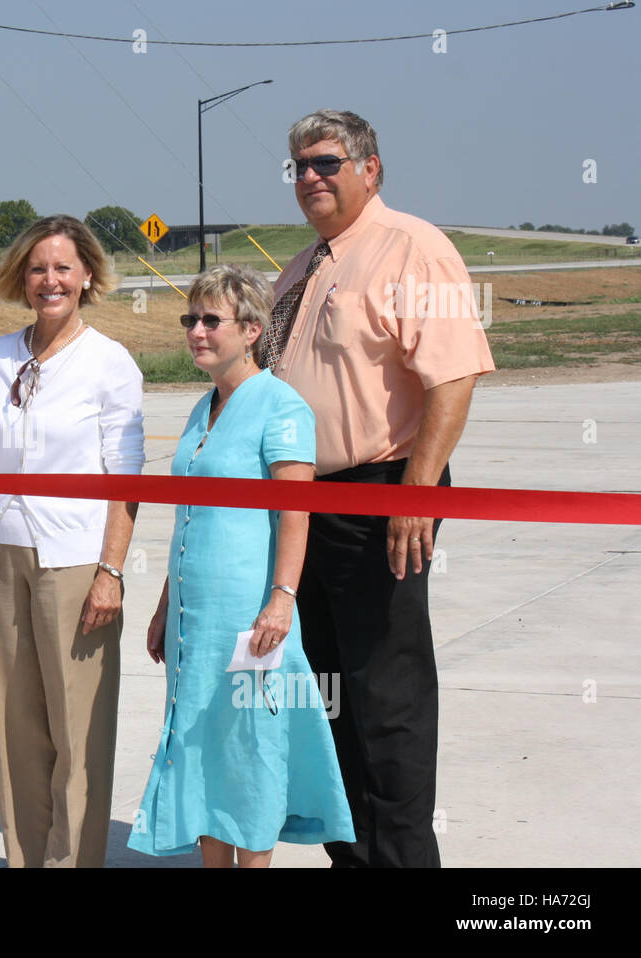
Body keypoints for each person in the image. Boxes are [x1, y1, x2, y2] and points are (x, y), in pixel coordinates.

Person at [266, 110, 495, 867]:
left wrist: (416, 493)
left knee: (386, 697)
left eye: (326, 163)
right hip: (305, 506)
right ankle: (353, 856)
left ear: (372, 169)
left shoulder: (411, 248)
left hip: (382, 493)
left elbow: (452, 377)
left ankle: (402, 859)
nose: (309, 178)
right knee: (328, 696)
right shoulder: (303, 267)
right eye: (298, 166)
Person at [127, 264, 354, 867]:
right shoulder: (203, 409)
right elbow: (191, 518)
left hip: (251, 618)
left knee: (248, 752)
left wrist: (282, 598)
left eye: (210, 320)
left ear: (251, 330)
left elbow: (296, 514)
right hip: (193, 621)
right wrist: (162, 606)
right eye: (189, 320)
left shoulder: (281, 406)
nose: (196, 331)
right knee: (201, 749)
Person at [0, 214, 145, 867]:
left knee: (77, 732)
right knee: (17, 729)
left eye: (63, 267)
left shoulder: (109, 363)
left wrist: (110, 572)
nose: (50, 280)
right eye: (38, 268)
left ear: (88, 275)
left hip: (77, 561)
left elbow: (126, 479)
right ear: (21, 277)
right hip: (4, 557)